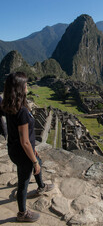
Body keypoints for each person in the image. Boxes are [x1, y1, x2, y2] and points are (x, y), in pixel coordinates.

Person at [1, 72, 54, 222]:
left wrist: (34, 154)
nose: (27, 86)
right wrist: (34, 161)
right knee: (23, 182)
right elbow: (25, 141)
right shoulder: (22, 112)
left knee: (39, 164)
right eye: (25, 84)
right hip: (23, 152)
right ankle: (22, 213)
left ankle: (41, 186)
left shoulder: (10, 106)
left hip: (14, 150)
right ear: (19, 88)